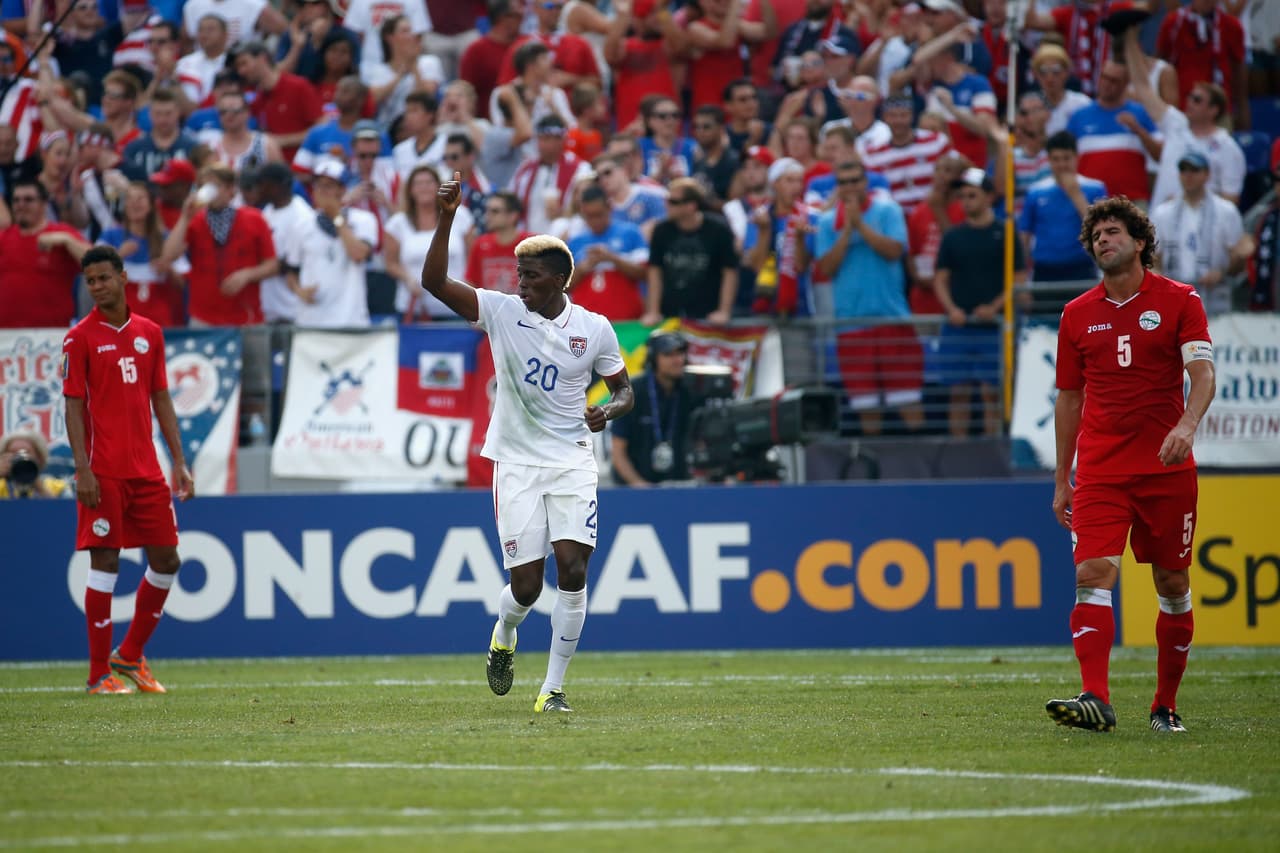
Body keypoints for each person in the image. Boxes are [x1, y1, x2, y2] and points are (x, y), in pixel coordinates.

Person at [421, 170, 634, 714]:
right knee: (526, 588)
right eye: (518, 273)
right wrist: (447, 218)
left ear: (562, 279)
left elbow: (624, 390)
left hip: (571, 462)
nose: (521, 283)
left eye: (532, 276)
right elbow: (433, 282)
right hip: (514, 462)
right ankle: (503, 636)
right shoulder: (501, 312)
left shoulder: (596, 328)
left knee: (575, 570)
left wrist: (607, 410)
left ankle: (553, 690)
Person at [1047, 196, 1216, 734]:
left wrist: (1186, 426)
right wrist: (1061, 477)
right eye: (1096, 235)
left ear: (1140, 241)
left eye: (1114, 231)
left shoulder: (1179, 300)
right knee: (1092, 574)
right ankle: (1095, 697)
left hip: (1165, 468)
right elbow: (1069, 398)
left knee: (1171, 582)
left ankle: (1164, 705)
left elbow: (1203, 375)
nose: (1103, 240)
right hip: (1100, 470)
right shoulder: (1076, 315)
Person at [63, 245, 195, 694]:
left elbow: (161, 398)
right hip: (104, 470)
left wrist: (178, 461)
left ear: (122, 277)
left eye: (104, 277)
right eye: (90, 281)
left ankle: (131, 655)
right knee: (106, 562)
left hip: (147, 470)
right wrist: (82, 470)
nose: (98, 287)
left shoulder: (150, 333)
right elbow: (73, 406)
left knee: (167, 559)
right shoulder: (79, 337)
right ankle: (98, 673)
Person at [932, 167, 1026, 438]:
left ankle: (992, 452)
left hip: (992, 327)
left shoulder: (1006, 232)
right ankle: (960, 454)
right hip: (960, 328)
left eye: (972, 195)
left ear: (988, 197)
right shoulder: (953, 236)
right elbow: (940, 279)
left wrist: (994, 308)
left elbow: (1018, 279)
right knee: (957, 393)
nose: (966, 201)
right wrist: (952, 309)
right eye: (963, 196)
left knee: (991, 394)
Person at [1150, 151, 1252, 318]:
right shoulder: (1163, 213)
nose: (1188, 175)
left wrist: (1221, 272)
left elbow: (1239, 258)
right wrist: (1161, 279)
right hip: (1174, 295)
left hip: (1214, 295)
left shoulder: (1226, 211)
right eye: (1183, 170)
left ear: (1206, 174)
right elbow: (1154, 259)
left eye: (1194, 170)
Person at [284, 158, 378, 327]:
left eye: (328, 186)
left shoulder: (364, 220)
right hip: (311, 320)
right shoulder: (301, 225)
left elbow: (358, 254)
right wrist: (299, 291)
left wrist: (336, 216)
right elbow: (291, 271)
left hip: (351, 319)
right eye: (318, 185)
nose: (321, 191)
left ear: (342, 190)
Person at [643, 178, 739, 325]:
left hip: (707, 315)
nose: (666, 205)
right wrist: (653, 311)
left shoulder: (718, 230)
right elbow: (655, 271)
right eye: (667, 200)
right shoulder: (661, 231)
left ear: (691, 206)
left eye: (673, 202)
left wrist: (724, 311)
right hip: (670, 314)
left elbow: (730, 272)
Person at [0, 178, 91, 329]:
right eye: (16, 200)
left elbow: (98, 263)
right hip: (6, 339)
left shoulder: (61, 233)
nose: (20, 205)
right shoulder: (4, 238)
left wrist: (68, 241)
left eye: (28, 200)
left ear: (44, 204)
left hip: (51, 337)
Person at [610, 329, 695, 485]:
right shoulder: (630, 393)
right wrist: (640, 486)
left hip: (679, 489)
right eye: (669, 355)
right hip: (633, 492)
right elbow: (618, 452)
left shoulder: (690, 391)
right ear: (653, 359)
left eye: (680, 353)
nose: (678, 360)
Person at [0, 431, 69, 499]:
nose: (19, 457)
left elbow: (68, 509)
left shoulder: (57, 487)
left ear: (39, 457)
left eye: (26, 452)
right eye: (13, 452)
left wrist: (41, 489)